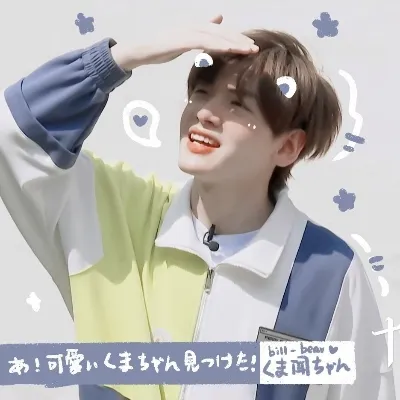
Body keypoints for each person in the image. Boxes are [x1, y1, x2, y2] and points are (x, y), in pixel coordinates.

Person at [0, 14, 395, 400]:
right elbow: (13, 135)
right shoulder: (111, 213)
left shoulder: (329, 274)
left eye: (238, 104)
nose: (204, 113)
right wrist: (122, 58)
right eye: (201, 93)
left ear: (288, 146)